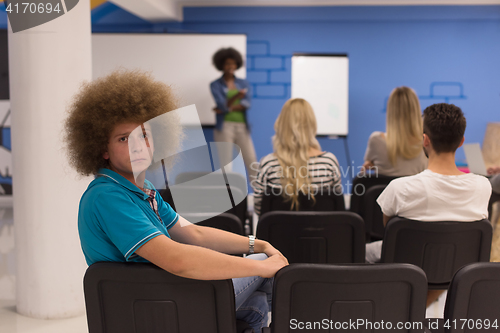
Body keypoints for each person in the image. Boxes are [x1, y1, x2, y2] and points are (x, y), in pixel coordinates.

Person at [64, 70, 288, 333]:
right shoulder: (107, 197)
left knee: (259, 304)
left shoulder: (143, 189)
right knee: (274, 272)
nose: (137, 146)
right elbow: (177, 259)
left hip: (164, 295)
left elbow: (194, 234)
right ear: (103, 149)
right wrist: (259, 263)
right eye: (124, 138)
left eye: (144, 135)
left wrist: (256, 243)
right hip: (153, 305)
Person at [365, 103, 492, 306]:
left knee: (364, 252)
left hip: (407, 267)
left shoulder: (400, 188)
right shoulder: (482, 186)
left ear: (425, 140)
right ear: (461, 142)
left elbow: (389, 232)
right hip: (458, 269)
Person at [252, 98, 342, 216]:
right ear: (312, 124)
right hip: (322, 233)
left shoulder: (268, 164)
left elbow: (261, 210)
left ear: (281, 124)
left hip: (279, 234)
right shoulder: (329, 162)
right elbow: (337, 208)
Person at [210, 47, 258, 181]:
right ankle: (228, 197)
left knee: (252, 161)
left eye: (233, 63)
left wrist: (226, 108)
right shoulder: (215, 85)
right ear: (221, 65)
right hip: (224, 127)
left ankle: (259, 196)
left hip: (243, 126)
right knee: (225, 164)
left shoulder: (243, 83)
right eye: (227, 63)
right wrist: (236, 96)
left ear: (237, 64)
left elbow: (247, 103)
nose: (230, 66)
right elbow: (221, 105)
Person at [363, 86, 427, 176]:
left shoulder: (376, 140)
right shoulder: (427, 143)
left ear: (391, 110)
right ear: (416, 109)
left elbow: (368, 165)